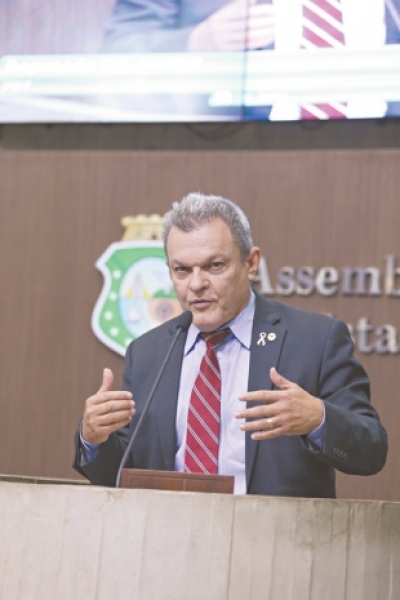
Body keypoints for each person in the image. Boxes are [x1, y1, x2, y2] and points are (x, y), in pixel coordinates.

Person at [73, 192, 387, 496]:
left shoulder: (314, 339)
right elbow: (125, 475)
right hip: (170, 540)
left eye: (214, 266)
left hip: (278, 542)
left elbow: (372, 449)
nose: (196, 284)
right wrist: (93, 438)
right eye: (182, 269)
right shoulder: (148, 351)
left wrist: (318, 418)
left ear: (251, 263)